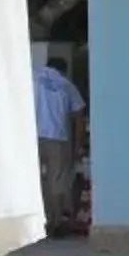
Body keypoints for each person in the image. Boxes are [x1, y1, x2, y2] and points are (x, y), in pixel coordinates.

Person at [32, 53, 85, 235]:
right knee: (57, 181)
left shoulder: (32, 78)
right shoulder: (66, 85)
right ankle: (54, 222)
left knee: (34, 181)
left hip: (33, 138)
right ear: (64, 69)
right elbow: (79, 117)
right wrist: (78, 145)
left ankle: (35, 222)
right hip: (57, 138)